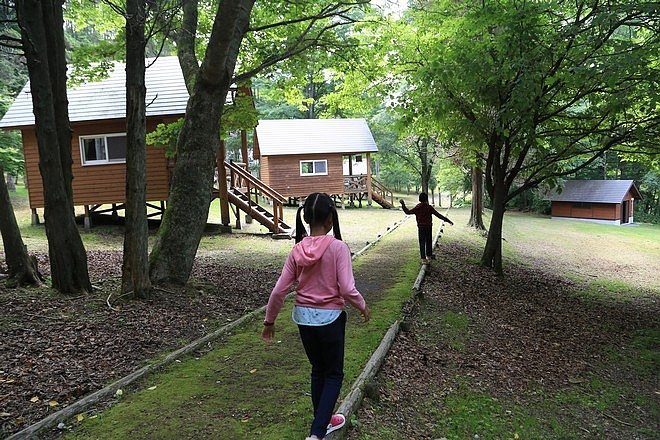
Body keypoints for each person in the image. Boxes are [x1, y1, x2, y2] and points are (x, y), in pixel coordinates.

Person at [262, 192, 371, 440]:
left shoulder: (296, 250)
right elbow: (346, 288)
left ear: (307, 219)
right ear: (330, 219)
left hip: (303, 319)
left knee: (317, 370)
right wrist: (362, 306)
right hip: (330, 319)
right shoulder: (338, 248)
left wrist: (269, 321)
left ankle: (324, 420)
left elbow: (279, 289)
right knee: (333, 374)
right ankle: (317, 433)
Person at [400, 192, 453, 264]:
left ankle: (423, 259)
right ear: (426, 199)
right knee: (429, 241)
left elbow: (408, 212)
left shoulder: (418, 207)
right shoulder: (429, 207)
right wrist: (448, 220)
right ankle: (429, 256)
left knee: (422, 242)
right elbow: (438, 215)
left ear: (419, 199)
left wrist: (403, 205)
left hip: (421, 227)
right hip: (428, 227)